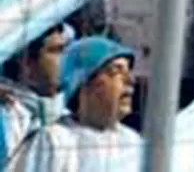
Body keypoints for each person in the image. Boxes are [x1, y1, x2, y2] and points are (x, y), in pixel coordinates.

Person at [10, 36, 142, 170]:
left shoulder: (135, 144)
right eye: (115, 71)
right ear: (83, 84)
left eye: (128, 71)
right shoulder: (54, 141)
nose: (130, 80)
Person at [0, 24, 70, 167]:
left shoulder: (72, 113)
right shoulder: (7, 120)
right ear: (27, 63)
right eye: (57, 51)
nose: (67, 58)